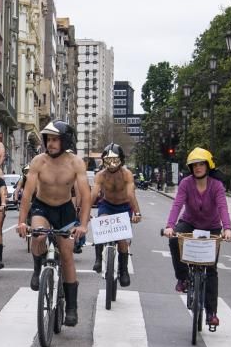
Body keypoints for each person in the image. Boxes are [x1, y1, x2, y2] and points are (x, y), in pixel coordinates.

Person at [17, 121, 91, 326]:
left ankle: (71, 308)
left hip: (65, 211)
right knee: (38, 235)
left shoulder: (76, 163)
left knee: (67, 255)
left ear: (65, 141)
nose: (50, 143)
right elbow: (28, 194)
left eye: (55, 139)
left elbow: (86, 196)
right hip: (42, 207)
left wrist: (83, 225)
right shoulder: (38, 162)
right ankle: (37, 266)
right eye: (48, 139)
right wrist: (22, 222)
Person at [163, 148, 231, 329]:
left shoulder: (216, 185)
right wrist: (170, 226)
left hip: (212, 227)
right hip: (189, 223)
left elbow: (222, 207)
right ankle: (183, 278)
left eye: (201, 164)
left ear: (208, 165)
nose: (198, 168)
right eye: (194, 165)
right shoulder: (186, 184)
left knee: (210, 270)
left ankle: (211, 313)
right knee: (173, 239)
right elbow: (177, 204)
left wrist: (227, 229)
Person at [91, 143, 141, 286]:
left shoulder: (127, 174)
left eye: (115, 160)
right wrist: (84, 213)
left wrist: (137, 212)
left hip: (124, 206)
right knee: (100, 225)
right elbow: (93, 194)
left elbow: (131, 194)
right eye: (108, 160)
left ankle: (123, 270)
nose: (112, 164)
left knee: (122, 241)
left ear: (121, 160)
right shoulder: (100, 175)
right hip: (107, 206)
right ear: (104, 160)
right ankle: (98, 260)